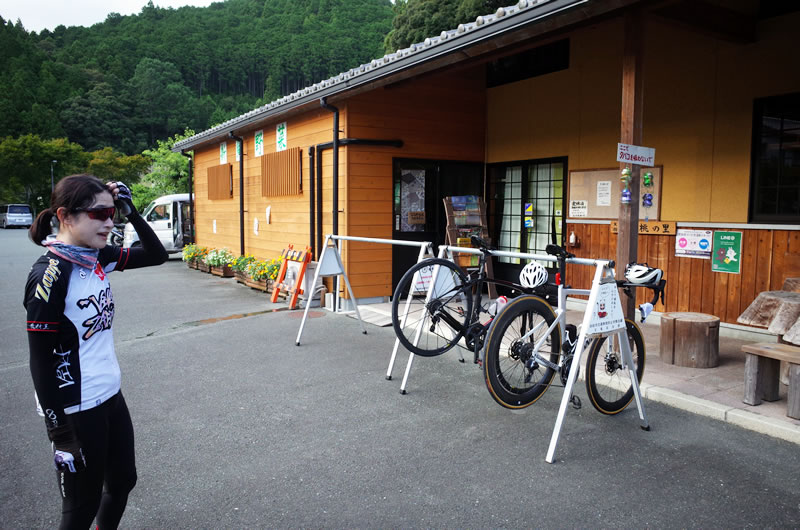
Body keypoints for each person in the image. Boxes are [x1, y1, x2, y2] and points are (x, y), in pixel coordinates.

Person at [24, 174, 167, 529]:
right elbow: (40, 360)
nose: (109, 221)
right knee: (80, 507)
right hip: (75, 407)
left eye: (112, 212)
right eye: (99, 213)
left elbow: (156, 254)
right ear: (65, 216)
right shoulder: (51, 275)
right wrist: (60, 435)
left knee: (122, 483)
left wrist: (132, 211)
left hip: (109, 395)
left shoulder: (96, 257)